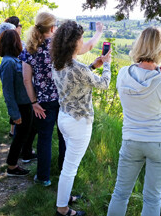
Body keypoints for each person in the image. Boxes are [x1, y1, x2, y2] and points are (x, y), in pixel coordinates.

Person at [107, 27, 161, 216]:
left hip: (131, 140)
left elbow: (141, 87)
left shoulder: (124, 74)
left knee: (120, 193)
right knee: (152, 197)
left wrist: (158, 73)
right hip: (159, 142)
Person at [22, 13, 104, 188]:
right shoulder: (59, 46)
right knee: (64, 138)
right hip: (63, 98)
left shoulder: (29, 48)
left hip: (42, 102)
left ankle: (43, 177)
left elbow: (26, 79)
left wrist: (33, 102)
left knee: (44, 139)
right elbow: (87, 46)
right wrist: (98, 33)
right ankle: (64, 170)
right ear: (52, 28)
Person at [51, 20, 112, 216]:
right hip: (79, 123)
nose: (83, 42)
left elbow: (77, 78)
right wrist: (107, 65)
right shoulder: (78, 68)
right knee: (70, 169)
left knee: (68, 165)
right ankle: (63, 209)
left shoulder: (58, 62)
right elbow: (103, 84)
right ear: (74, 43)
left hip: (64, 117)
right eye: (81, 39)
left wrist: (93, 65)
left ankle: (65, 197)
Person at [0, 20, 37, 163]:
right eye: (18, 40)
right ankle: (12, 166)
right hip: (20, 106)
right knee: (19, 137)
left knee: (28, 132)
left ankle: (25, 155)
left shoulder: (15, 59)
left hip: (27, 104)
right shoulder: (8, 63)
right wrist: (14, 114)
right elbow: (7, 91)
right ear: (13, 43)